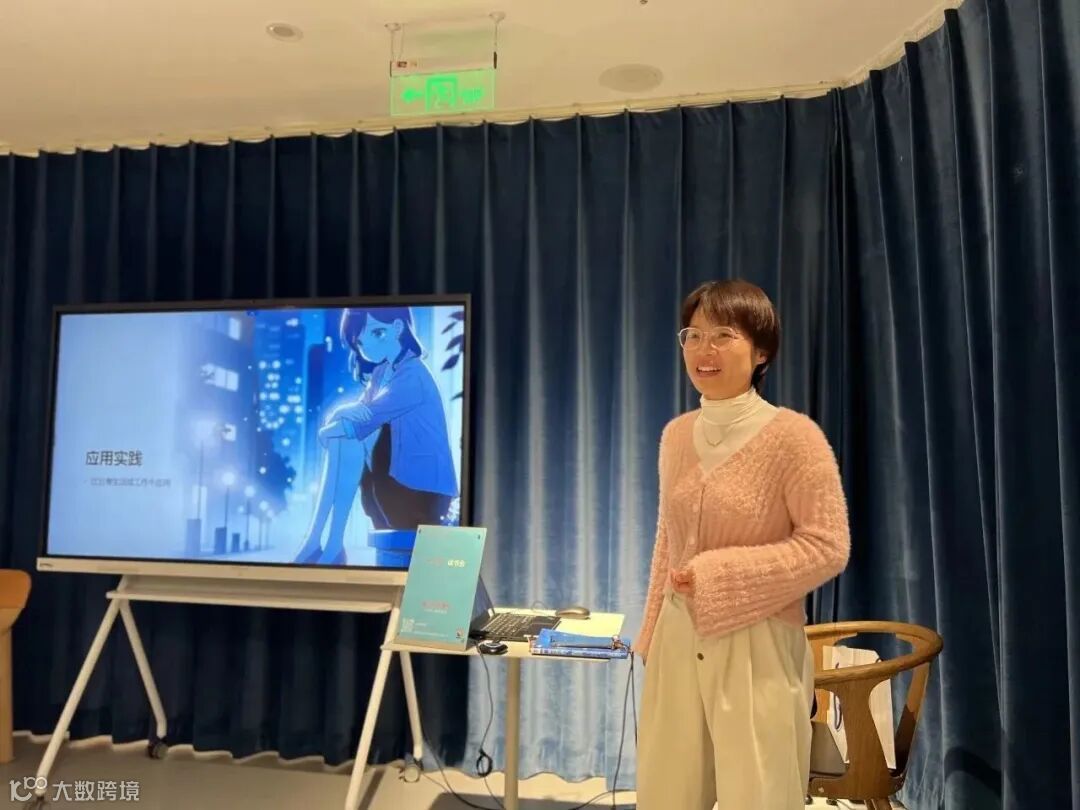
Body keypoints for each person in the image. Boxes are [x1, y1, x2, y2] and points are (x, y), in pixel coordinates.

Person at [634, 279, 851, 809]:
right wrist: (652, 630)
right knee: (668, 795)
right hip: (678, 637)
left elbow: (828, 545)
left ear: (761, 352)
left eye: (723, 335)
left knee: (758, 795)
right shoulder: (676, 435)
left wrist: (720, 576)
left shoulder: (795, 438)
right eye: (693, 335)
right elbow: (668, 537)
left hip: (759, 644)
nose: (703, 349)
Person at [293, 307, 458, 565]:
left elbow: (365, 418)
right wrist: (340, 416)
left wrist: (329, 428)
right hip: (390, 488)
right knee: (346, 441)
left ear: (398, 328)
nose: (367, 348)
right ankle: (323, 542)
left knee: (349, 437)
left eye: (377, 333)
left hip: (423, 496)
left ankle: (325, 544)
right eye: (359, 343)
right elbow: (357, 415)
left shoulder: (413, 374)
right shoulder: (382, 373)